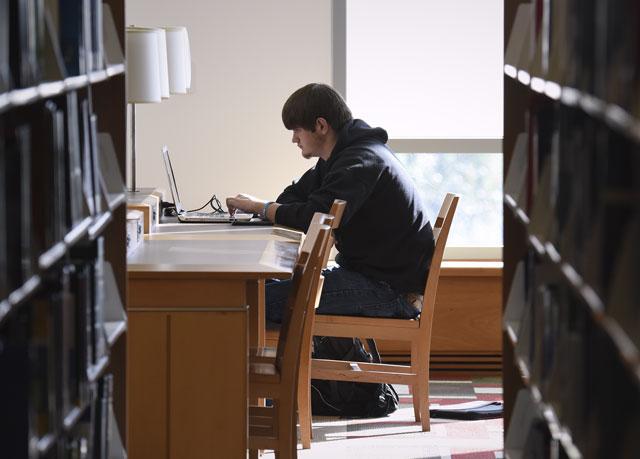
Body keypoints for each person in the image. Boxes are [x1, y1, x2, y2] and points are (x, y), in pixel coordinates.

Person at [226, 83, 434, 323]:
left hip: (390, 290)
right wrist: (271, 207)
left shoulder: (361, 161)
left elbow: (312, 216)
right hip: (368, 277)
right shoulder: (341, 157)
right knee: (253, 290)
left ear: (321, 126)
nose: (294, 139)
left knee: (250, 304)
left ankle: (296, 358)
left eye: (297, 130)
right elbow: (291, 196)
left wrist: (261, 207)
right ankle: (323, 354)